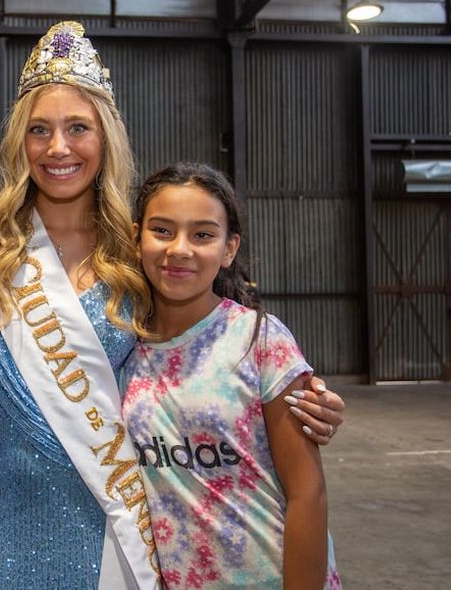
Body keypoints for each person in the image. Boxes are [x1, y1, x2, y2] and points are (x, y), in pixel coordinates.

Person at [0, 21, 346, 589]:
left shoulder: (135, 252)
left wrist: (301, 397)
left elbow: (199, 342)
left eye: (78, 128)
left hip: (105, 511)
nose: (58, 148)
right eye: (39, 130)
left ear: (105, 138)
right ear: (19, 142)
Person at [121, 162, 342, 589]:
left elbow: (307, 493)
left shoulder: (259, 339)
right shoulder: (120, 348)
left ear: (229, 248)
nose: (179, 249)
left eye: (202, 235)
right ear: (136, 238)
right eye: (162, 230)